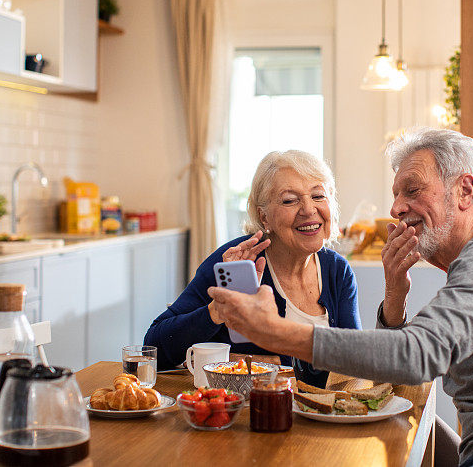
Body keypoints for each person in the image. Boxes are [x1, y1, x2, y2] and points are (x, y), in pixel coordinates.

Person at [208, 128, 473, 467]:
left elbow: (417, 356)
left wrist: (275, 332)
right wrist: (394, 294)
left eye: (412, 189)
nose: (396, 206)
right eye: (396, 193)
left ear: (464, 191)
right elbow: (404, 374)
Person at [144, 150, 361, 388]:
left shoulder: (337, 270)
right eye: (290, 200)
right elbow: (154, 349)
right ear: (264, 217)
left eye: (318, 196)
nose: (309, 209)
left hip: (316, 415)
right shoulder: (235, 262)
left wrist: (275, 363)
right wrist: (218, 310)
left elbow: (351, 363)